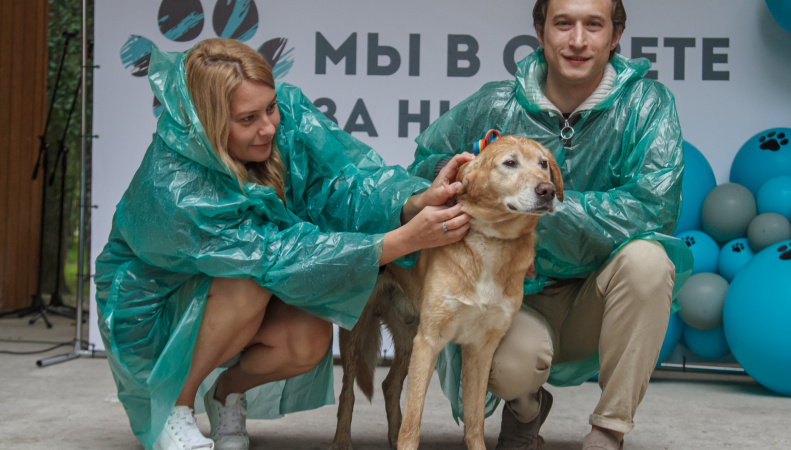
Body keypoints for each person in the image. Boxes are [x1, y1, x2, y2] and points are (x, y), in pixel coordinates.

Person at [94, 38, 473, 450]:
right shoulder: (175, 184)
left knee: (307, 340)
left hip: (247, 289)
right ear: (208, 120)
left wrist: (411, 203)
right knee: (245, 280)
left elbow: (343, 182)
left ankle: (225, 395)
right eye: (247, 119)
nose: (269, 127)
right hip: (160, 311)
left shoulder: (286, 116)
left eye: (270, 108)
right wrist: (400, 241)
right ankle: (174, 407)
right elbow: (273, 254)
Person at [408, 1, 694, 449]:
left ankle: (609, 430)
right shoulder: (493, 104)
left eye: (593, 25)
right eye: (563, 24)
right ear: (540, 32)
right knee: (499, 366)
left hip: (594, 298)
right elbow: (425, 165)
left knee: (649, 261)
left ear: (615, 36)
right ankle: (526, 409)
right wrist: (465, 171)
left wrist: (535, 207)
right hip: (516, 299)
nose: (577, 41)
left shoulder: (646, 105)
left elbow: (653, 207)